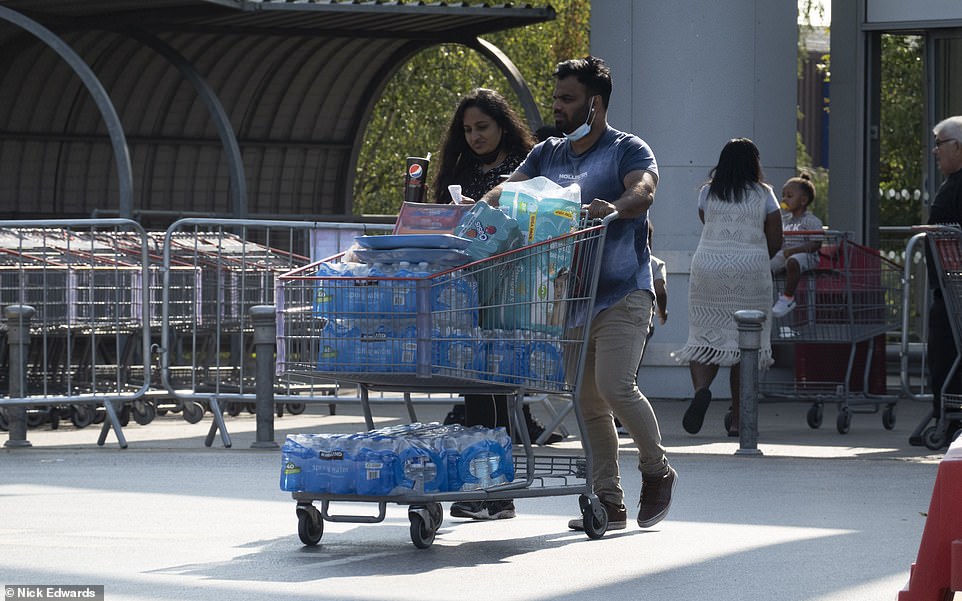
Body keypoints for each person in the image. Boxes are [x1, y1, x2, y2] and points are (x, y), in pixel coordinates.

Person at [478, 55, 677, 532]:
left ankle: (657, 470)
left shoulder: (627, 149)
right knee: (587, 403)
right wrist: (472, 208)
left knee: (614, 387)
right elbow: (508, 190)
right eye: (556, 99)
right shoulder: (547, 153)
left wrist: (617, 207)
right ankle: (607, 501)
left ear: (596, 104)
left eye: (568, 99)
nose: (559, 108)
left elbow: (644, 191)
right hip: (569, 297)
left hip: (624, 292)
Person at [432, 88, 560, 521]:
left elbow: (538, 225)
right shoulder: (460, 170)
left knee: (499, 393)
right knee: (474, 393)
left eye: (482, 127)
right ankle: (479, 482)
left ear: (503, 125)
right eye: (467, 129)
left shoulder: (523, 171)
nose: (474, 136)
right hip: (467, 296)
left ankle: (498, 488)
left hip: (510, 295)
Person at [672, 138, 783, 437]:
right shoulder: (764, 194)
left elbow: (707, 223)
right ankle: (738, 417)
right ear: (753, 163)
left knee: (703, 336)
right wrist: (759, 255)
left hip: (708, 268)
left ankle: (701, 391)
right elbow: (776, 236)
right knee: (744, 343)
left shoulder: (708, 192)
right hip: (750, 271)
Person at [915, 116, 962, 446]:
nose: (935, 151)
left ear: (959, 147)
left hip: (955, 292)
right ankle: (944, 412)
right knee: (945, 351)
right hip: (947, 291)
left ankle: (948, 415)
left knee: (948, 351)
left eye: (940, 144)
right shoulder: (952, 183)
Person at [771, 172, 824, 318]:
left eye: (789, 196)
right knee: (767, 266)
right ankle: (763, 296)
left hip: (807, 255)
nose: (784, 199)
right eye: (783, 195)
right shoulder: (785, 220)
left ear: (803, 200)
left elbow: (816, 244)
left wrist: (794, 250)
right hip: (787, 253)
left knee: (793, 261)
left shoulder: (811, 221)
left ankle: (787, 298)